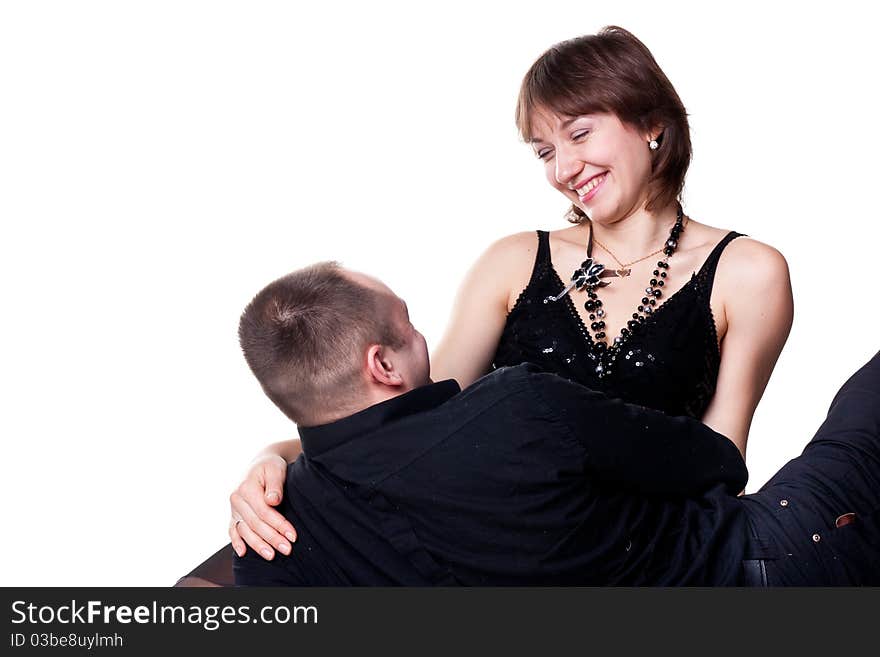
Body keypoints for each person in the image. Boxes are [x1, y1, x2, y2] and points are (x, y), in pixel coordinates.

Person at [178, 27, 794, 584]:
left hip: (646, 559)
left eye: (579, 133)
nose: (565, 169)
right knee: (225, 584)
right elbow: (411, 421)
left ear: (652, 123)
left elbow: (722, 458)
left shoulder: (749, 273)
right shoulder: (513, 260)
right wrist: (272, 456)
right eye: (544, 151)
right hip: (499, 557)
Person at [232, 262, 877, 586]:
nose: (424, 335)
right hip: (762, 566)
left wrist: (273, 453)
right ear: (382, 364)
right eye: (408, 323)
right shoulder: (515, 407)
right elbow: (714, 465)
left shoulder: (273, 536)